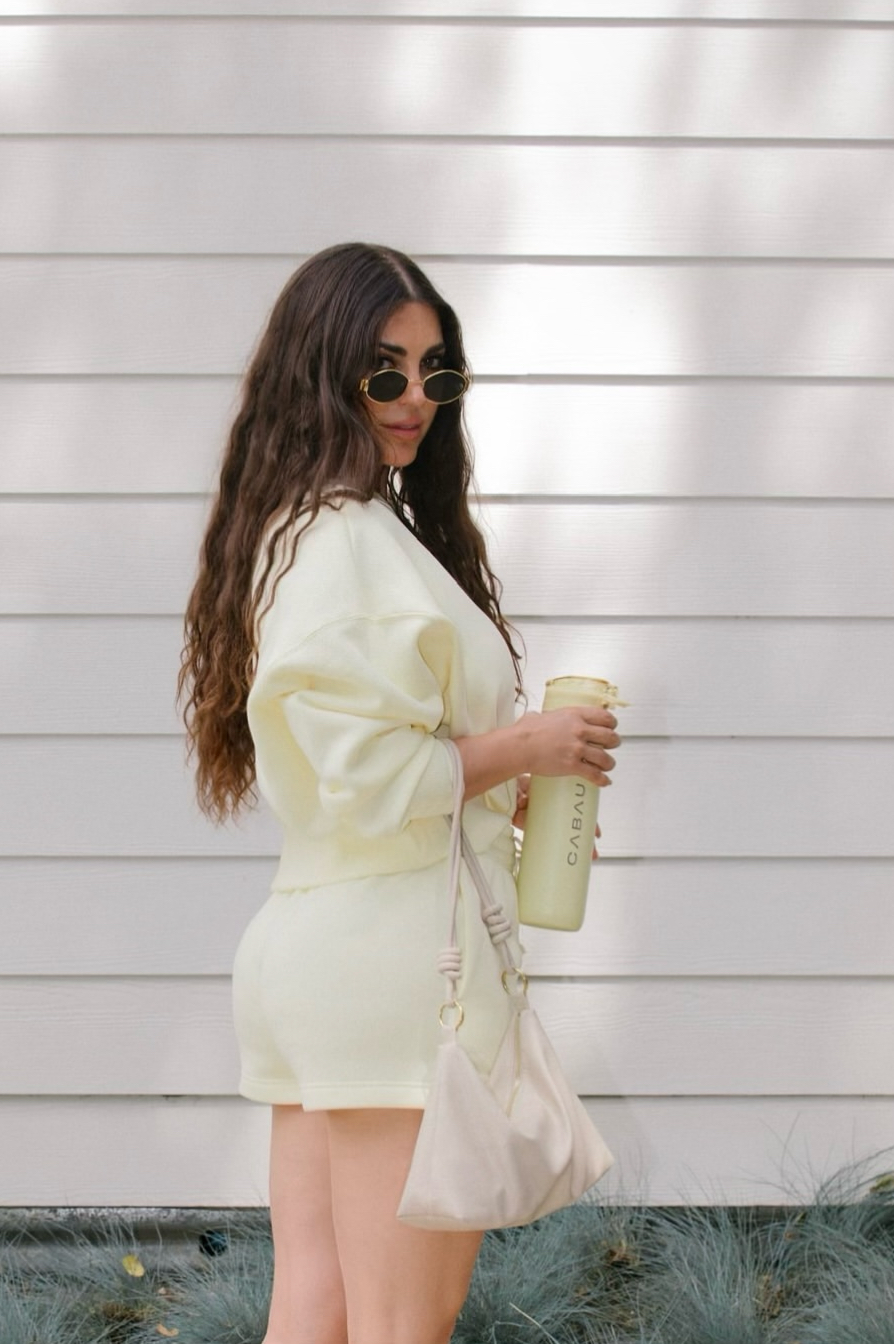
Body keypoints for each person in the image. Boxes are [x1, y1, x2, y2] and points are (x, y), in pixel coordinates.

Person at [179, 243, 620, 1344]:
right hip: (393, 970)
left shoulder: (299, 532)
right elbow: (378, 776)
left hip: (322, 952)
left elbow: (359, 772)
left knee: (318, 1308)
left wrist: (499, 789)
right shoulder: (346, 544)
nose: (416, 396)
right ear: (323, 372)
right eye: (385, 371)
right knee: (399, 1322)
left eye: (436, 371)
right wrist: (527, 746)